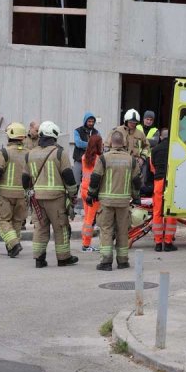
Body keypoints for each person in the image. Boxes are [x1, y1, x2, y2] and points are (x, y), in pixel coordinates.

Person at [22, 121, 80, 268]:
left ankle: (39, 259)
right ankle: (63, 258)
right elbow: (68, 176)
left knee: (40, 228)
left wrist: (28, 193)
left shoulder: (30, 154)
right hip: (56, 198)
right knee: (61, 228)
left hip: (37, 198)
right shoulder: (59, 153)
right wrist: (73, 195)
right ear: (54, 135)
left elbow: (25, 179)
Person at [86, 131, 141, 271]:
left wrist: (91, 194)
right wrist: (136, 197)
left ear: (111, 143)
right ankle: (123, 261)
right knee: (123, 231)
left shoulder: (104, 158)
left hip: (107, 202)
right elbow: (136, 181)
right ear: (123, 143)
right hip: (123, 203)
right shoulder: (131, 160)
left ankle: (106, 262)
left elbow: (95, 178)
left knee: (106, 230)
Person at [0, 122, 28, 258]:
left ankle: (14, 244)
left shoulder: (4, 152)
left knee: (4, 221)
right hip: (23, 194)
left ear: (9, 135)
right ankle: (12, 248)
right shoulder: (29, 153)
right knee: (17, 221)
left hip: (6, 193)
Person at [106, 109, 150, 194]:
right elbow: (107, 145)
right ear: (126, 121)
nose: (133, 124)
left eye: (135, 123)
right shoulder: (117, 131)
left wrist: (142, 158)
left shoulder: (140, 134)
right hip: (119, 163)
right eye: (131, 122)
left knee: (134, 183)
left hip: (135, 163)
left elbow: (147, 146)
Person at [150, 128, 177, 252]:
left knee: (157, 212)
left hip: (159, 182)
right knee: (170, 211)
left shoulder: (154, 150)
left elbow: (152, 168)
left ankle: (157, 242)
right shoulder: (174, 150)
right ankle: (168, 242)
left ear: (160, 137)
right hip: (171, 183)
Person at [79, 135, 104, 252]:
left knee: (87, 218)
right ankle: (86, 244)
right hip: (93, 192)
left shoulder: (84, 157)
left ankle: (85, 242)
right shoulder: (99, 159)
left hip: (84, 190)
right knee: (90, 220)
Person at [73, 112, 100, 204]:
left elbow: (99, 144)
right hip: (79, 160)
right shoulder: (77, 131)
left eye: (92, 121)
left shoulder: (96, 132)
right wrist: (92, 144)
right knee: (76, 180)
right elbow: (78, 143)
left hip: (91, 161)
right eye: (89, 121)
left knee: (90, 181)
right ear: (85, 121)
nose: (91, 123)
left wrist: (88, 145)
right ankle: (74, 200)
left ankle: (89, 200)